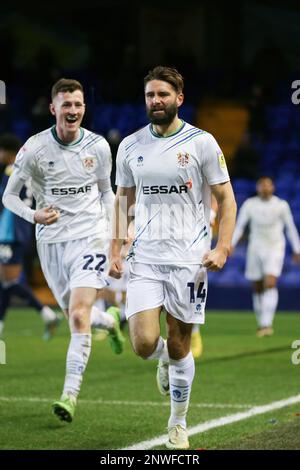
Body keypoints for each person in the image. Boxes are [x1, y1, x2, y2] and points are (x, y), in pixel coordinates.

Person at [109, 66, 237, 449]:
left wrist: (223, 247)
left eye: (163, 95)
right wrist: (114, 248)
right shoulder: (131, 145)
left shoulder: (202, 143)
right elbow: (123, 200)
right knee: (144, 344)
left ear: (179, 98)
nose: (156, 101)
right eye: (150, 95)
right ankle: (162, 358)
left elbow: (226, 199)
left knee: (181, 344)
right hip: (145, 257)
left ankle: (178, 423)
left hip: (188, 261)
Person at [2, 78, 124, 423]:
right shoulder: (34, 149)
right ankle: (111, 321)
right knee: (77, 311)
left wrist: (116, 233)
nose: (73, 111)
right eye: (66, 105)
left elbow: (106, 192)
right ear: (54, 108)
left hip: (91, 236)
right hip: (52, 241)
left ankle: (69, 395)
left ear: (84, 108)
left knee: (76, 315)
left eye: (78, 104)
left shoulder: (99, 146)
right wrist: (34, 214)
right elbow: (8, 196)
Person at [0, 133, 60, 339]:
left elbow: (6, 200)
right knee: (6, 281)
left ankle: (46, 312)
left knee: (9, 281)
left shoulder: (12, 170)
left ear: (8, 152)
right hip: (22, 229)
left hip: (10, 231)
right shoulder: (29, 169)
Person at [231, 176, 300, 337]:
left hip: (275, 247)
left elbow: (290, 228)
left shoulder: (281, 205)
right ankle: (261, 322)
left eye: (268, 185)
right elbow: (240, 225)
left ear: (273, 188)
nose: (265, 188)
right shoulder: (250, 204)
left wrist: (297, 248)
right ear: (257, 188)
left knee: (270, 282)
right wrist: (231, 244)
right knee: (257, 286)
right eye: (262, 185)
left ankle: (266, 323)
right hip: (255, 247)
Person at [191, 194, 218, 358]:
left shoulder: (203, 171)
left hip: (199, 240)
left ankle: (194, 332)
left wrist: (212, 214)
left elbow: (218, 195)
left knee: (194, 289)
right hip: (170, 236)